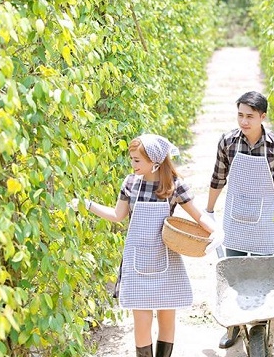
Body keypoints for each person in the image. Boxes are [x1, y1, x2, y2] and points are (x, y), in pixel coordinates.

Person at [72, 134, 223, 357]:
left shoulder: (173, 185)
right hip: (136, 261)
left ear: (155, 162)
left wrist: (216, 232)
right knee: (141, 322)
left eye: (136, 160)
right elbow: (117, 215)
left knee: (166, 318)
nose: (132, 165)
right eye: (131, 159)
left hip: (166, 258)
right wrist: (88, 205)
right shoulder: (130, 183)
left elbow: (198, 215)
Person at [204, 91, 274, 349]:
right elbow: (217, 178)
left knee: (261, 273)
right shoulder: (228, 142)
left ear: (262, 117)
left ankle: (260, 323)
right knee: (233, 270)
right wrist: (208, 211)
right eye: (240, 115)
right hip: (235, 215)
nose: (244, 122)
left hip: (265, 217)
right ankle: (233, 325)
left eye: (250, 117)